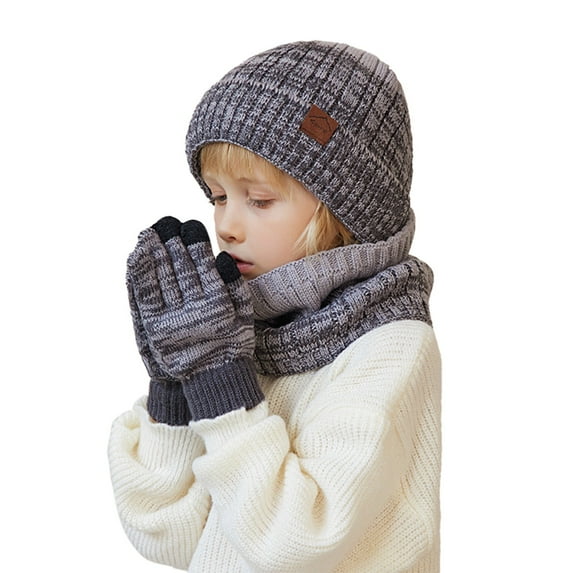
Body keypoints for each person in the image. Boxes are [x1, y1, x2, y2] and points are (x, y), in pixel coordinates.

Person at [108, 40, 441, 572]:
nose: (226, 225)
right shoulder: (241, 333)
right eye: (218, 196)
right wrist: (175, 385)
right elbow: (170, 536)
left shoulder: (390, 346)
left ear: (343, 210)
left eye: (259, 200)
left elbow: (296, 543)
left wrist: (222, 385)